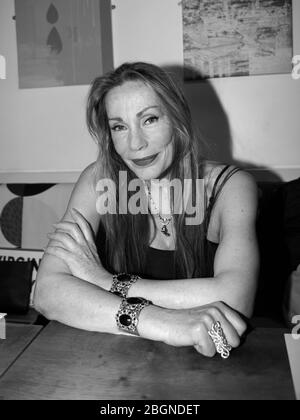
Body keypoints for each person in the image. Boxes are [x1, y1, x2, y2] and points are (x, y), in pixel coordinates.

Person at [34, 62, 259, 358]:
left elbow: (235, 298)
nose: (135, 144)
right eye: (119, 126)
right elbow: (46, 292)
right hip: (111, 359)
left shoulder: (230, 187)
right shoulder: (99, 179)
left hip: (204, 362)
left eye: (149, 119)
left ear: (178, 120)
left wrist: (104, 282)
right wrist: (160, 321)